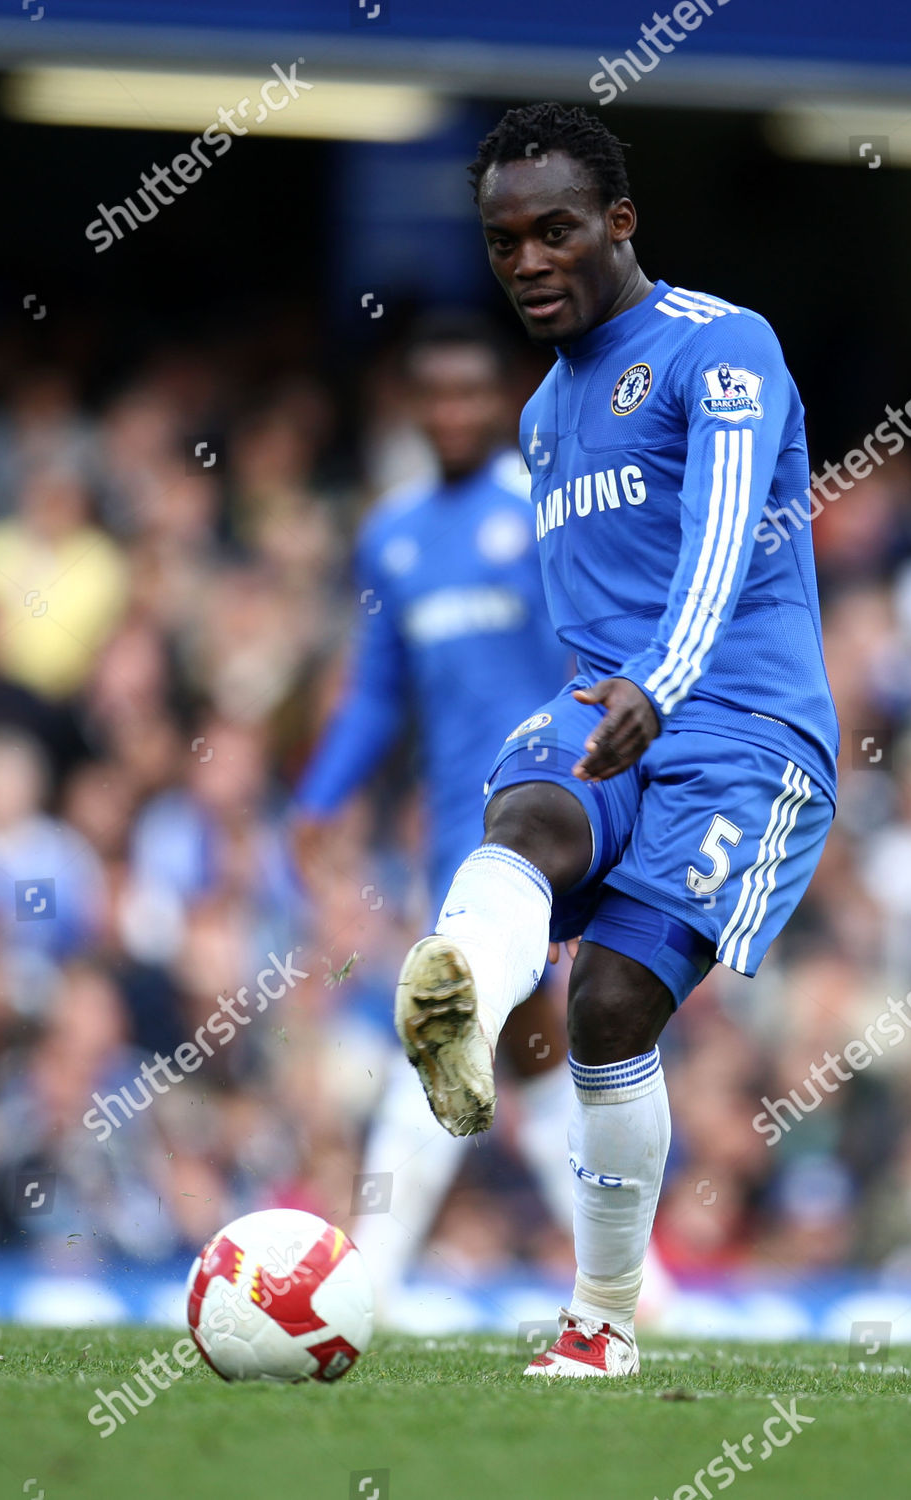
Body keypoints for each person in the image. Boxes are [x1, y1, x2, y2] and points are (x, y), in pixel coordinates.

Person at [394, 103, 840, 1375]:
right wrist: (605, 699)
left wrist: (662, 676)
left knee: (604, 1008)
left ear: (618, 223)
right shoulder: (538, 418)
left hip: (742, 734)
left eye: (555, 232)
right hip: (608, 711)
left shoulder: (722, 346)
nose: (528, 261)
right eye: (502, 243)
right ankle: (465, 1000)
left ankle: (601, 1319)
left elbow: (717, 534)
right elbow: (586, 605)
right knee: (521, 818)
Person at [291, 314, 575, 1318]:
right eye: (435, 397)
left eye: (470, 394)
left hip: (538, 820)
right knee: (531, 1052)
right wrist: (321, 793)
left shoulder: (544, 514)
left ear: (498, 403)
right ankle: (635, 1281)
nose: (453, 413)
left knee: (444, 1022)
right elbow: (378, 691)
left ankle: (364, 1277)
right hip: (452, 827)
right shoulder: (393, 534)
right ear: (414, 409)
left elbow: (595, 662)